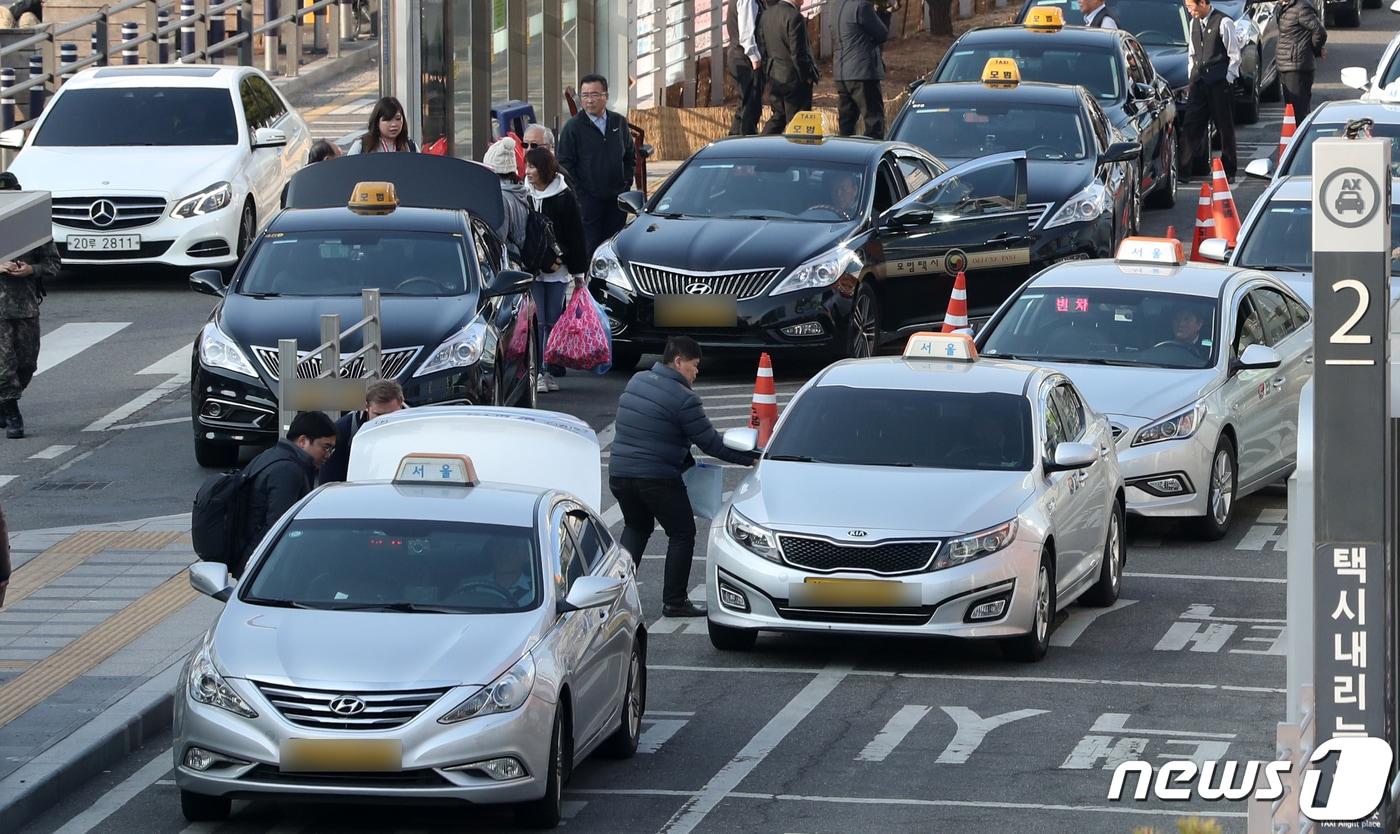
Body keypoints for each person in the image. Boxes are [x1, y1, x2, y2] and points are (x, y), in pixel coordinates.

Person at [609, 336, 759, 617]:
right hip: (656, 478)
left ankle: (615, 597)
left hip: (620, 473)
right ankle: (675, 601)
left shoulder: (637, 381)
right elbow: (712, 444)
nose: (696, 372)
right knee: (682, 533)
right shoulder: (684, 399)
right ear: (678, 362)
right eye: (694, 365)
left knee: (637, 529)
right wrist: (752, 458)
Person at [237, 411, 337, 577]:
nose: (327, 455)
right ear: (303, 441)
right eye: (325, 447)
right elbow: (280, 527)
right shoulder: (288, 470)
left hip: (256, 557)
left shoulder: (270, 455)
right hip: (267, 566)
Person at [525, 145, 589, 393]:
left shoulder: (564, 195)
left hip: (557, 268)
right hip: (532, 268)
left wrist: (578, 273)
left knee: (552, 320)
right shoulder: (525, 194)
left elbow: (575, 235)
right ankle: (538, 371)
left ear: (544, 169)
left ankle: (547, 368)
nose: (528, 171)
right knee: (539, 320)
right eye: (527, 166)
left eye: (532, 166)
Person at [557, 74, 637, 257]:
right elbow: (564, 164)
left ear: (605, 96)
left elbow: (630, 156)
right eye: (584, 95)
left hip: (617, 200)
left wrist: (625, 183)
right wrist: (580, 194)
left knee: (613, 248)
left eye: (594, 95)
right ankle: (587, 285)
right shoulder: (573, 127)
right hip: (588, 202)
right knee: (590, 248)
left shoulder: (618, 122)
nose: (589, 100)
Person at [0, 172, 55, 440]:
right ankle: (12, 414)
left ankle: (4, 400)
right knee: (3, 366)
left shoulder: (33, 229)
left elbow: (54, 265)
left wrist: (31, 269)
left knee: (27, 364)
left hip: (25, 307)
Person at [1183, 0, 1239, 180]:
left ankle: (1228, 170)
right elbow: (1192, 53)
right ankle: (1184, 170)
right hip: (1199, 85)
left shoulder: (1223, 22)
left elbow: (1234, 55)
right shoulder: (1194, 24)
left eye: (1192, 6)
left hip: (1219, 85)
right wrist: (1192, 77)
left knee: (1224, 129)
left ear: (1203, 3)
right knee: (1191, 125)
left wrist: (1227, 79)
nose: (1190, 11)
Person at [317, 379, 406, 485]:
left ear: (401, 405)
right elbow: (328, 480)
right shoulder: (344, 430)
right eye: (378, 415)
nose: (384, 421)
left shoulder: (414, 426)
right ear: (366, 407)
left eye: (391, 415)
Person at [759, 0, 820, 135]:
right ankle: (796, 153)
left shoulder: (766, 15)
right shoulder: (795, 17)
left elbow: (763, 49)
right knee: (799, 123)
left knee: (778, 117)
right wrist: (806, 76)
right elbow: (798, 53)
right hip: (794, 79)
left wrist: (768, 72)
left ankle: (760, 147)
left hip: (774, 76)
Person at [834, 0, 889, 140]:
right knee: (873, 121)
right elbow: (882, 33)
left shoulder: (835, 6)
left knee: (846, 123)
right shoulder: (862, 6)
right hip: (863, 71)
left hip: (841, 72)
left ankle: (844, 154)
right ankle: (872, 156)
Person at [1274, 0, 1325, 121]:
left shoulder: (1301, 8)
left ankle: (1301, 138)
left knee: (1299, 112)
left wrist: (1314, 49)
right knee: (1291, 111)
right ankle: (1294, 137)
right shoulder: (1284, 7)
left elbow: (1320, 32)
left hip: (1297, 66)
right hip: (1286, 64)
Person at [484, 136, 532, 265]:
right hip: (522, 259)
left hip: (511, 262)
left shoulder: (501, 198)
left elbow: (499, 238)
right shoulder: (519, 191)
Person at [727, 0, 766, 136]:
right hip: (744, 57)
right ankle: (744, 140)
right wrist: (755, 57)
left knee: (745, 103)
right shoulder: (747, 1)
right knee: (750, 105)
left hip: (739, 54)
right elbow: (746, 34)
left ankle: (736, 139)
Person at [348, 96, 418, 154]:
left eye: (398, 118)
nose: (393, 124)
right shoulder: (361, 145)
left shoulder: (410, 146)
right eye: (388, 119)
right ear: (377, 122)